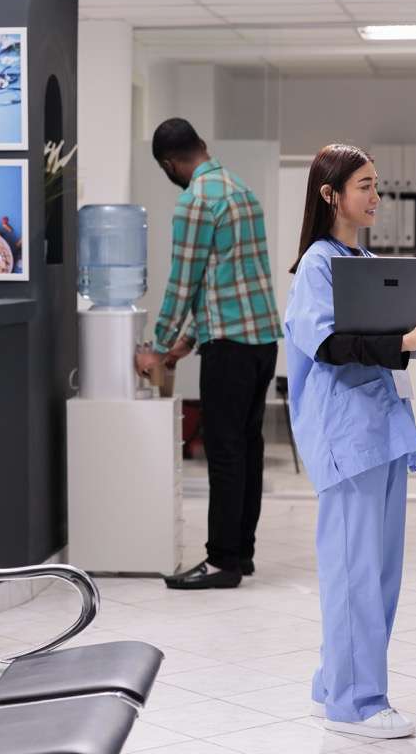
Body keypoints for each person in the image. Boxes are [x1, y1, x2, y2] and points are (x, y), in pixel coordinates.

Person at [286, 144, 416, 739]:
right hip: (347, 433)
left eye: (377, 185)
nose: (376, 197)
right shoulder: (318, 264)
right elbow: (330, 345)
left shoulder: (360, 257)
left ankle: (332, 683)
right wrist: (407, 341)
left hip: (380, 429)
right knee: (354, 572)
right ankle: (356, 705)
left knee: (380, 572)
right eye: (365, 185)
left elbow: (382, 333)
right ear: (329, 194)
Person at [134, 118, 281, 590]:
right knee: (248, 447)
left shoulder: (195, 200)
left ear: (169, 164)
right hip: (262, 342)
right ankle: (242, 552)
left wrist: (157, 347)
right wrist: (189, 339)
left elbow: (184, 282)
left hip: (231, 349)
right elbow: (230, 279)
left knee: (223, 452)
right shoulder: (241, 190)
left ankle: (221, 563)